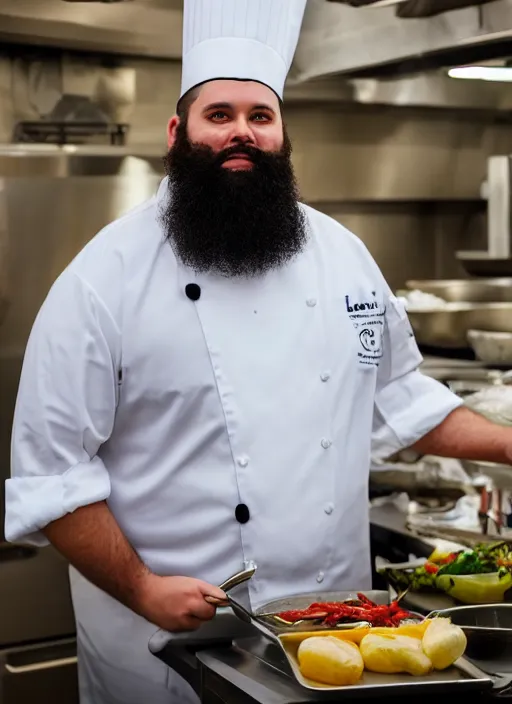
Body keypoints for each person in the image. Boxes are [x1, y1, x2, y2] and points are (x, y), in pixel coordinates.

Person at [5, 1, 512, 702]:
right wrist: (142, 588)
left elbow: (401, 401)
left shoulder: (343, 257)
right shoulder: (102, 280)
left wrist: (510, 444)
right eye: (220, 115)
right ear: (178, 131)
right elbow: (53, 478)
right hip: (170, 643)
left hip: (333, 634)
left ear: (281, 134)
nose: (242, 131)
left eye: (260, 115)